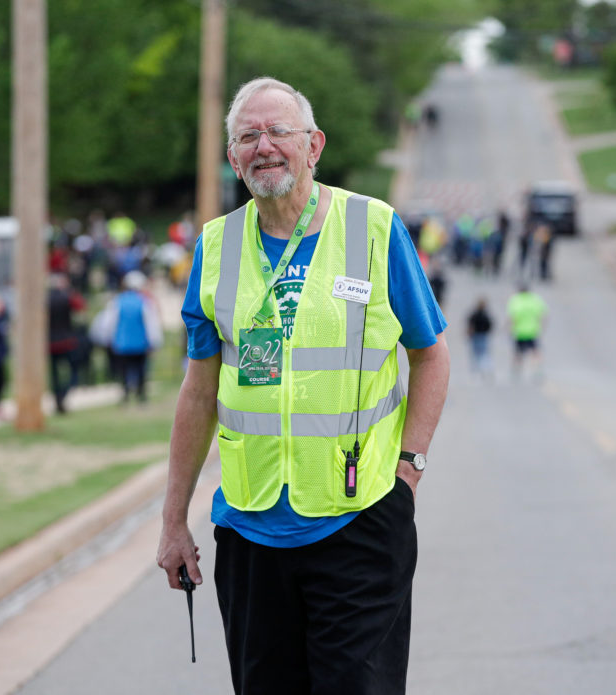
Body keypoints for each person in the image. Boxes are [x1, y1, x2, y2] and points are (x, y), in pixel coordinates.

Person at [156, 77, 450, 695]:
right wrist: (173, 519)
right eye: (248, 136)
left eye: (278, 131)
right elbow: (198, 392)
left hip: (361, 519)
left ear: (313, 145)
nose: (264, 146)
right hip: (250, 528)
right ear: (233, 159)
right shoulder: (215, 247)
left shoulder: (374, 228)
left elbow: (430, 354)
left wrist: (409, 470)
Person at [99, 270, 163, 403]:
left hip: (122, 343)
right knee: (141, 369)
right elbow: (151, 324)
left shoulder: (118, 301)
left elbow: (109, 322)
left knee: (124, 370)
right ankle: (141, 394)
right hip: (140, 343)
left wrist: (107, 338)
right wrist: (155, 341)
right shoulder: (144, 302)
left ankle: (126, 393)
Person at [47, 273, 85, 414]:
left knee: (55, 374)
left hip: (50, 342)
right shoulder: (68, 296)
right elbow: (80, 308)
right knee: (74, 371)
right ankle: (63, 394)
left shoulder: (46, 299)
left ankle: (58, 397)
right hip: (67, 341)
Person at [506, 281, 547, 380]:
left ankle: (516, 371)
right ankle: (537, 371)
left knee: (518, 352)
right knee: (535, 352)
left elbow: (512, 317)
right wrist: (542, 327)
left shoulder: (515, 300)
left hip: (519, 331)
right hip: (533, 330)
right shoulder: (535, 300)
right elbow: (542, 315)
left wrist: (509, 328)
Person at [467, 297, 493, 377]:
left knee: (476, 354)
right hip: (483, 335)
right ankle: (484, 369)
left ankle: (477, 369)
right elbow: (490, 325)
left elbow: (470, 325)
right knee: (483, 353)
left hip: (477, 336)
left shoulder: (474, 314)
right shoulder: (486, 315)